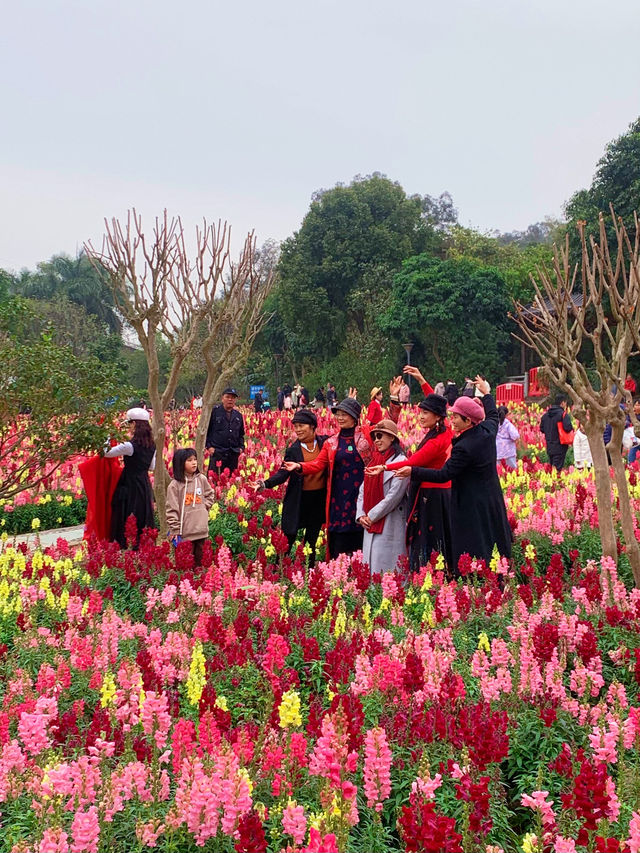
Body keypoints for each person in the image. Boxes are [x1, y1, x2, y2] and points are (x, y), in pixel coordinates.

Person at [283, 380, 403, 559]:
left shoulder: (367, 436)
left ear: (354, 416)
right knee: (339, 538)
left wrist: (394, 399)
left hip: (362, 493)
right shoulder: (331, 442)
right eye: (338, 414)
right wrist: (299, 466)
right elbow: (318, 464)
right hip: (338, 497)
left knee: (362, 531)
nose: (339, 417)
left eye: (344, 414)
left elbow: (389, 424)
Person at [407, 378, 512, 571]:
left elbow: (444, 474)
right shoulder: (487, 430)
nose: (451, 421)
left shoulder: (464, 447)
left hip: (470, 504)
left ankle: (478, 579)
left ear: (468, 420)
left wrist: (413, 471)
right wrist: (487, 392)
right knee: (494, 539)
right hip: (492, 499)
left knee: (475, 545)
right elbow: (492, 415)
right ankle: (498, 574)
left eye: (455, 417)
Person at [368, 391, 453, 573]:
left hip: (432, 497)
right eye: (420, 412)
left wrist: (384, 468)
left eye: (425, 413)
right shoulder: (440, 431)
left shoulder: (437, 441)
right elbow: (439, 403)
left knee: (430, 541)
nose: (420, 417)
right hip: (430, 494)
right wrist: (421, 380)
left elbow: (412, 462)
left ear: (437, 417)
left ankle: (430, 576)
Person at [257, 410, 328, 566]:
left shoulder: (325, 443)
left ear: (313, 426)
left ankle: (309, 570)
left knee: (312, 537)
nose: (298, 430)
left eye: (301, 425)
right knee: (289, 535)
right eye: (295, 426)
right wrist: (265, 484)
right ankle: (278, 569)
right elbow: (283, 473)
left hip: (318, 499)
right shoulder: (294, 450)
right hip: (299, 499)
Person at [356, 420, 409, 573]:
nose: (377, 440)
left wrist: (371, 516)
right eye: (375, 437)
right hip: (369, 521)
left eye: (380, 436)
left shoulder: (401, 462)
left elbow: (394, 497)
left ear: (392, 438)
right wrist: (361, 515)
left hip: (389, 520)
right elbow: (362, 491)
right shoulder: (374, 461)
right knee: (371, 568)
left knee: (389, 568)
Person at [105, 407, 156, 548]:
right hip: (144, 483)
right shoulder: (152, 445)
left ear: (135, 424)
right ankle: (142, 545)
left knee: (127, 513)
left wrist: (108, 436)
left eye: (130, 423)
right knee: (142, 512)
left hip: (129, 483)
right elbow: (152, 467)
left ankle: (125, 544)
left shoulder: (129, 446)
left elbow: (105, 453)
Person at [166, 448, 215, 565]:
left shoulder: (201, 479)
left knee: (201, 563)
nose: (194, 462)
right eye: (189, 460)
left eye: (195, 459)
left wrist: (204, 507)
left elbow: (210, 494)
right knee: (185, 564)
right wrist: (175, 529)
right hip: (185, 533)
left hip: (201, 531)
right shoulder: (175, 486)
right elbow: (172, 509)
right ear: (180, 463)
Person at [206, 387, 245, 474]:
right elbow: (206, 431)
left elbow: (241, 434)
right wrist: (209, 447)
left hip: (233, 454)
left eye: (233, 398)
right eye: (228, 397)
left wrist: (241, 448)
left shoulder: (238, 416)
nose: (230, 400)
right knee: (215, 480)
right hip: (218, 453)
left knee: (231, 480)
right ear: (222, 398)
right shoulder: (214, 413)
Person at [540, 395, 574, 471]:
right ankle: (554, 482)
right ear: (562, 403)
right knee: (557, 469)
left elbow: (542, 429)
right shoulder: (563, 415)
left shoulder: (545, 416)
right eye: (565, 403)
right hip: (560, 446)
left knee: (552, 467)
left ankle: (551, 481)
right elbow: (568, 428)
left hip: (549, 446)